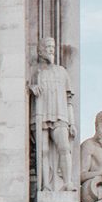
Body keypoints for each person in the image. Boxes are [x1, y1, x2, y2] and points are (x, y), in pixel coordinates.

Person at [29, 37, 76, 192]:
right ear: (41, 50)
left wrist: (72, 122)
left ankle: (68, 182)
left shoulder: (62, 72)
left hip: (60, 115)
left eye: (52, 47)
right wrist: (32, 87)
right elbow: (28, 86)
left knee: (64, 147)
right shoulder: (35, 72)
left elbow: (69, 100)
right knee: (42, 151)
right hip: (41, 115)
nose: (50, 49)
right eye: (47, 47)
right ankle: (45, 185)